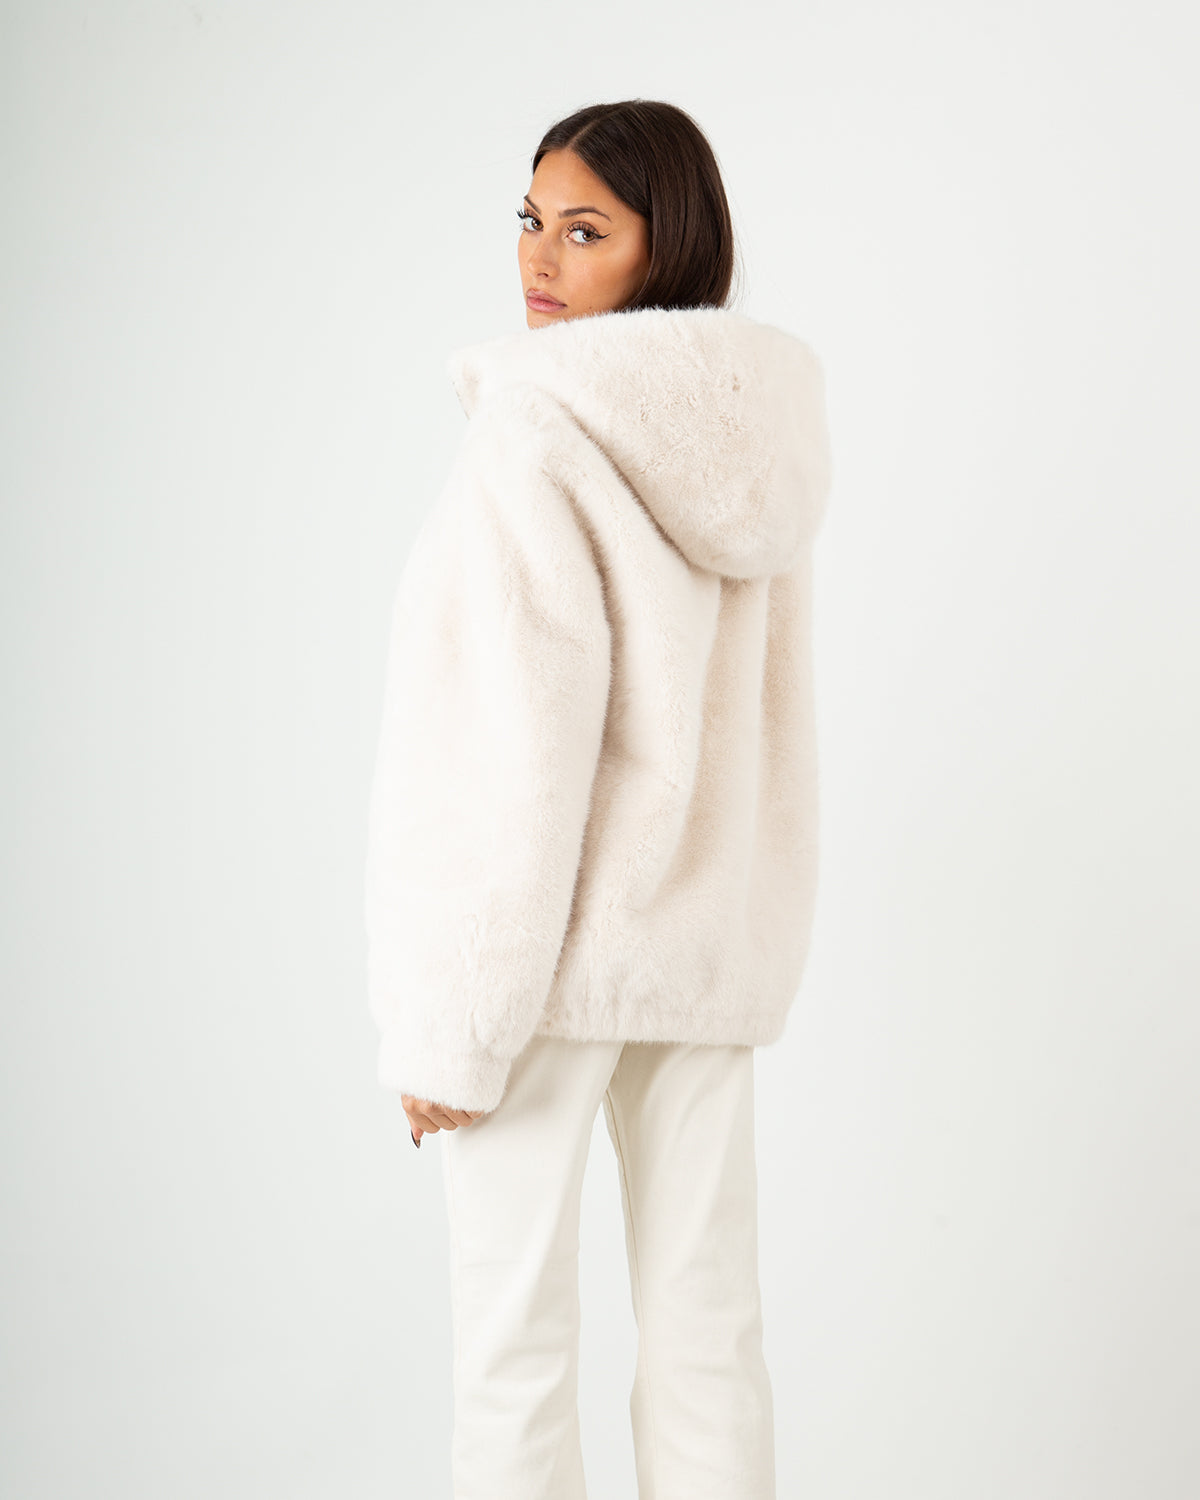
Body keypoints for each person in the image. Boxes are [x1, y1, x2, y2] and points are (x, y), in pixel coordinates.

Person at [363, 98, 833, 1500]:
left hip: (543, 965)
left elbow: (514, 743)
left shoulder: (537, 430)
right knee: (709, 1331)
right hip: (703, 952)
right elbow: (766, 720)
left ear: (662, 245)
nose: (539, 258)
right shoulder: (761, 439)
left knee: (511, 1346)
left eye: (585, 231)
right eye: (531, 220)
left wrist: (455, 1029)